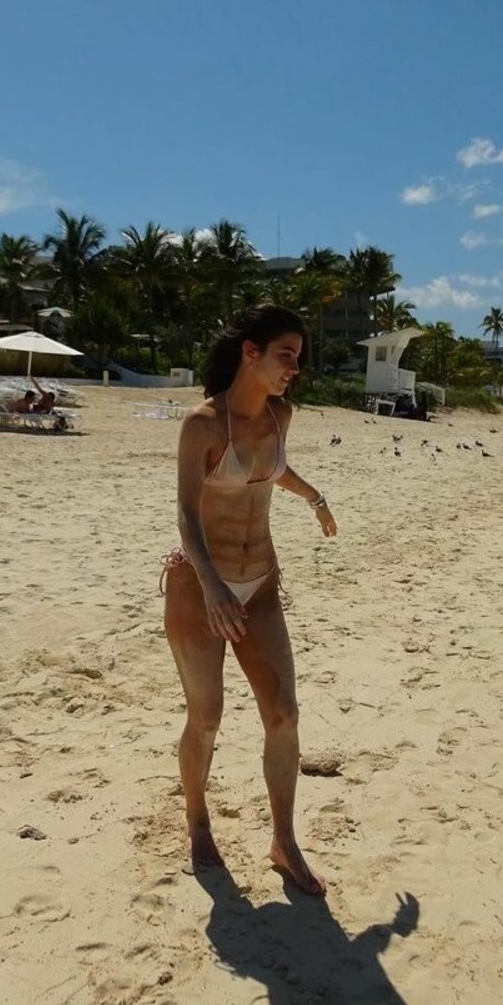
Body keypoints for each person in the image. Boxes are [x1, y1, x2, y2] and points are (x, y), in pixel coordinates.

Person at [161, 304, 337, 895]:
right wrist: (211, 586)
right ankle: (197, 821)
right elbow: (186, 514)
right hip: (199, 588)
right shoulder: (203, 424)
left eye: (298, 358)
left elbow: (270, 468)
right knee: (207, 716)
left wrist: (314, 498)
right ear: (250, 353)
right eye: (286, 355)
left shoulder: (281, 416)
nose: (295, 368)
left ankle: (284, 841)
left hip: (260, 583)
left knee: (284, 713)